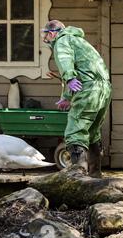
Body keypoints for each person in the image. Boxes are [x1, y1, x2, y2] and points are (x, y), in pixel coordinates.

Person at [41, 20, 112, 178]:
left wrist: (69, 78)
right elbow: (83, 72)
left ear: (52, 34)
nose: (45, 39)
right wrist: (67, 96)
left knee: (75, 131)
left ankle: (77, 178)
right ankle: (95, 176)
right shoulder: (79, 41)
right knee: (93, 132)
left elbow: (66, 61)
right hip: (104, 89)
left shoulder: (62, 41)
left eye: (45, 35)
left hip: (89, 90)